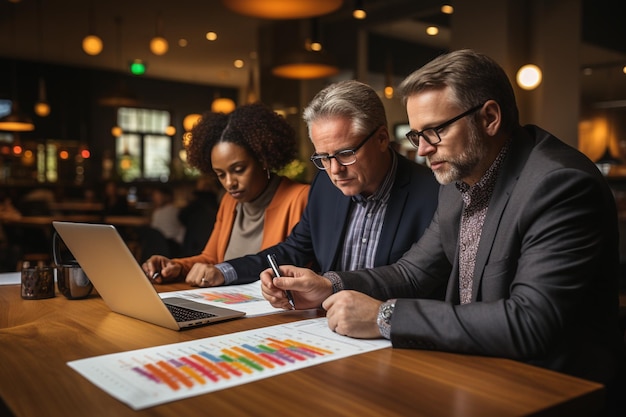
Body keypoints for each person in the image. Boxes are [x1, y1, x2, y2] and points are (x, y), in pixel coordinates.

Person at [260, 50, 626, 415]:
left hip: (551, 389)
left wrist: (384, 317)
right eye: (417, 134)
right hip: (474, 370)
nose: (421, 150)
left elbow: (530, 322)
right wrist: (329, 285)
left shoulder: (560, 184)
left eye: (434, 131)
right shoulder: (456, 179)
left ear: (490, 117)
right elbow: (412, 272)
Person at [174, 80, 440, 290]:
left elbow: (421, 280)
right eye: (323, 157)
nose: (335, 170)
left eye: (346, 153)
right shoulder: (325, 185)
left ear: (382, 139)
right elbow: (293, 250)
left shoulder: (433, 193)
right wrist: (225, 271)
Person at [142, 102, 310, 285]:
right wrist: (175, 267)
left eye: (239, 169)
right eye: (220, 175)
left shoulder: (300, 198)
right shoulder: (230, 202)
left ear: (263, 160)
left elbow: (298, 263)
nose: (230, 183)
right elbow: (211, 260)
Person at [177, 174, 222, 257]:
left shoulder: (196, 203)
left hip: (193, 244)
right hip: (210, 243)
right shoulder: (216, 203)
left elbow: (182, 217)